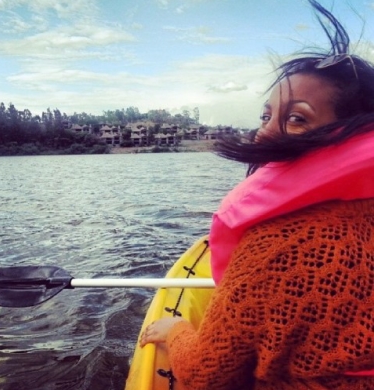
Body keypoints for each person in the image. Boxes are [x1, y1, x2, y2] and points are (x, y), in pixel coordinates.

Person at [140, 1, 374, 388]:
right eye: (267, 116)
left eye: (296, 118)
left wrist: (178, 330)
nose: (264, 133)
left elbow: (205, 375)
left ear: (351, 132)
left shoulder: (275, 246)